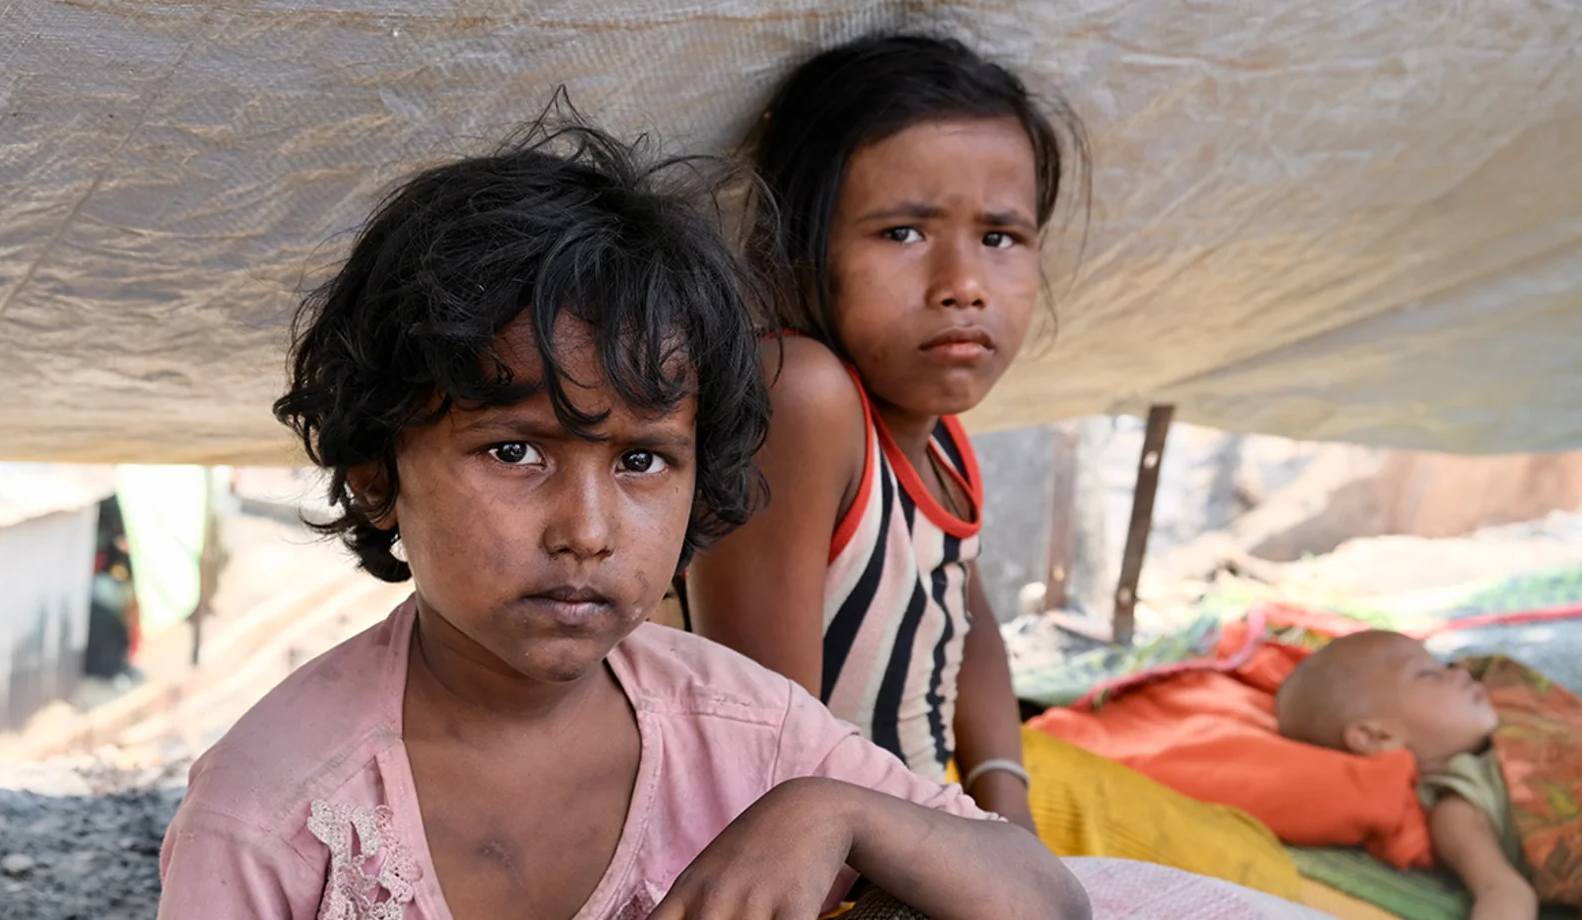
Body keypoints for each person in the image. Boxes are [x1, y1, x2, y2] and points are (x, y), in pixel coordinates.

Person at [155, 111, 1089, 920]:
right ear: (374, 472)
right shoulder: (273, 812)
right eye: (514, 451)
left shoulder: (744, 731)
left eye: (642, 460)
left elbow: (1046, 896)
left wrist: (830, 812)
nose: (587, 530)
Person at [684, 33, 1086, 830]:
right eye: (902, 233)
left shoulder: (934, 437)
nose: (963, 285)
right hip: (824, 856)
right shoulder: (802, 396)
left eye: (1000, 237)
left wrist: (1006, 803)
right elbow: (772, 754)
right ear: (798, 249)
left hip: (929, 821)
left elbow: (964, 623)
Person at [1276, 630, 1536, 920]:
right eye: (1428, 674)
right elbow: (1505, 891)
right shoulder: (1459, 811)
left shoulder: (1524, 720)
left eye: (1443, 666)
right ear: (1377, 736)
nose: (1460, 672)